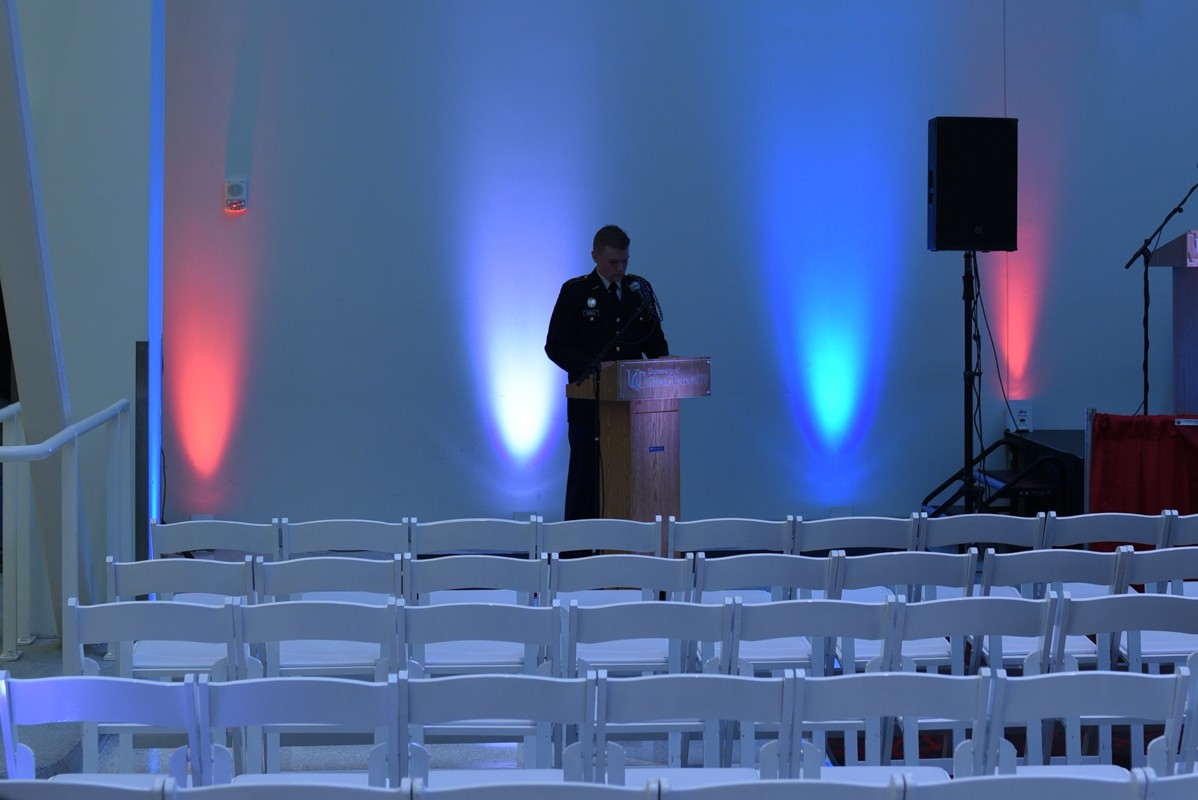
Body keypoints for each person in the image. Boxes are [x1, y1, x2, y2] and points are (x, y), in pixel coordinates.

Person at [545, 224, 669, 520]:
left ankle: (626, 550)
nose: (620, 268)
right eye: (613, 262)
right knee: (585, 481)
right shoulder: (575, 292)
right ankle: (576, 554)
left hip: (632, 407)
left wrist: (663, 362)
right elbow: (556, 345)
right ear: (595, 256)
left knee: (630, 479)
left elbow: (653, 339)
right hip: (589, 406)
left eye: (625, 261)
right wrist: (593, 367)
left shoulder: (638, 289)